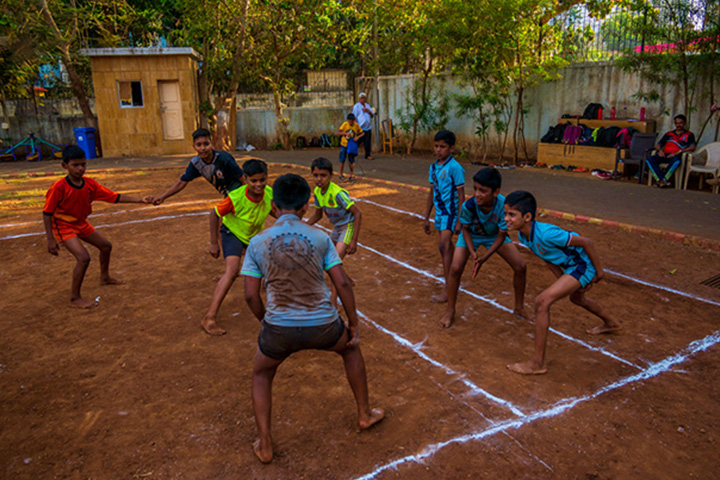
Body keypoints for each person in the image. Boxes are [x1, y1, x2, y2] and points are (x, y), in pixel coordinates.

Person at [241, 173, 384, 464]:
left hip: (278, 328)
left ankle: (266, 444)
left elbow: (250, 295)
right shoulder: (320, 237)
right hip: (324, 325)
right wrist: (353, 321)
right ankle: (364, 414)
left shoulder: (257, 242)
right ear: (305, 206)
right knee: (351, 349)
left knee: (261, 374)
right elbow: (342, 283)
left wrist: (264, 321)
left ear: (274, 204)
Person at [503, 190, 622, 375]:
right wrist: (563, 281)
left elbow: (586, 242)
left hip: (582, 266)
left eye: (511, 214)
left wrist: (599, 273)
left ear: (527, 217)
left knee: (542, 301)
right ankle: (611, 322)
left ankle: (537, 363)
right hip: (571, 268)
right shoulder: (524, 236)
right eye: (506, 214)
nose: (507, 218)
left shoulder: (547, 234)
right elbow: (548, 259)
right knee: (577, 298)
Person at [43, 145, 152, 309]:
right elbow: (47, 213)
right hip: (63, 226)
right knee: (83, 258)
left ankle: (105, 277)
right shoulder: (58, 187)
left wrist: (140, 200)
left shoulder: (90, 185)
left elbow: (113, 197)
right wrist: (50, 238)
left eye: (83, 164)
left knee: (106, 246)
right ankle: (74, 298)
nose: (80, 169)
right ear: (64, 166)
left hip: (81, 223)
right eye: (75, 165)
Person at [439, 167, 527, 328]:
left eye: (483, 190)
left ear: (495, 192)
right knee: (456, 268)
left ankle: (519, 307)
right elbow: (465, 229)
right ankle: (450, 310)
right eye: (475, 189)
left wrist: (485, 257)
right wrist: (473, 252)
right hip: (471, 235)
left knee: (520, 266)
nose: (477, 194)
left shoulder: (503, 205)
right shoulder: (469, 205)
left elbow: (501, 235)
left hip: (494, 236)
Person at [201, 159, 274, 336]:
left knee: (273, 261)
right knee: (232, 271)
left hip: (252, 237)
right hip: (231, 233)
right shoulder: (235, 197)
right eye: (253, 181)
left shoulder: (270, 193)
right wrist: (213, 242)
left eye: (262, 180)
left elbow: (274, 210)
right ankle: (209, 317)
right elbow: (215, 213)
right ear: (246, 179)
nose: (258, 184)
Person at [423, 130, 466, 303]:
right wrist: (426, 216)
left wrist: (459, 220)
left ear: (451, 148)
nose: (439, 150)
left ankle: (448, 288)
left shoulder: (455, 167)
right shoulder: (433, 167)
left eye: (443, 146)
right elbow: (432, 191)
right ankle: (454, 272)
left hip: (451, 212)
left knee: (443, 245)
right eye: (436, 146)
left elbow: (461, 195)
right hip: (440, 212)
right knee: (446, 248)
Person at [152, 128, 244, 204]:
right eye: (199, 145)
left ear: (211, 144)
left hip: (239, 192)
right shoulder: (196, 163)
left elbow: (243, 179)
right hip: (229, 194)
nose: (203, 148)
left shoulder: (224, 158)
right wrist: (162, 197)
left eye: (206, 144)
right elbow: (181, 183)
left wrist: (251, 199)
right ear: (194, 146)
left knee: (220, 218)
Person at [306, 157, 363, 259]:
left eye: (323, 175)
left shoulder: (337, 194)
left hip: (347, 226)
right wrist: (303, 227)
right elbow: (317, 215)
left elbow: (357, 213)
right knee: (327, 257)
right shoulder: (317, 192)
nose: (319, 179)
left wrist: (354, 240)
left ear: (331, 176)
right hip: (337, 227)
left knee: (334, 259)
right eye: (316, 175)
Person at [646, 114, 696, 188]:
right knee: (650, 159)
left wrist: (678, 152)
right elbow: (658, 145)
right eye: (676, 123)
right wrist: (660, 150)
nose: (678, 125)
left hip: (676, 155)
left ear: (684, 123)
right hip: (664, 155)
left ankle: (662, 180)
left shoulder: (689, 135)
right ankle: (661, 180)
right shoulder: (669, 134)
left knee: (676, 162)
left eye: (680, 123)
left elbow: (692, 147)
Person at [336, 113, 365, 181]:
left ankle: (351, 174)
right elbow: (338, 132)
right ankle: (341, 174)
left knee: (351, 160)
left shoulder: (356, 125)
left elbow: (363, 133)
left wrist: (357, 137)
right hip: (344, 144)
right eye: (349, 121)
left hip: (352, 145)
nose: (350, 123)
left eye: (352, 121)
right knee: (342, 159)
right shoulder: (345, 124)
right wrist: (345, 133)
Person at [352, 92, 375, 160]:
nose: (363, 99)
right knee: (357, 141)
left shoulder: (367, 106)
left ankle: (367, 155)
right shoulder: (357, 106)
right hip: (360, 128)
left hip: (367, 127)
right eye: (362, 98)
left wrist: (368, 111)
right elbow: (355, 117)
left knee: (367, 142)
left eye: (364, 98)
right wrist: (356, 127)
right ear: (359, 99)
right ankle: (352, 153)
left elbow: (372, 115)